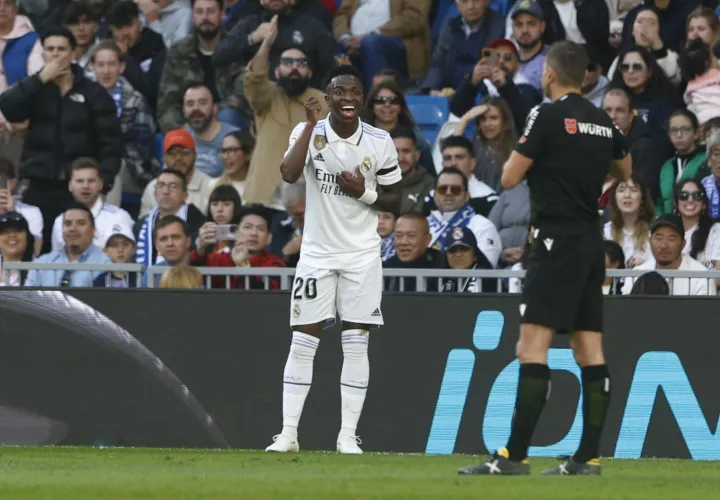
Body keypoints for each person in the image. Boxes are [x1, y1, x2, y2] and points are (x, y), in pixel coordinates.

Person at [458, 41, 631, 476]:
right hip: (592, 239)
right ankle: (586, 459)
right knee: (590, 347)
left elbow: (509, 175)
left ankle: (514, 457)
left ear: (550, 75)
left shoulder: (546, 113)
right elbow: (625, 170)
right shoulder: (600, 118)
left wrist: (550, 164)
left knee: (531, 346)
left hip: (555, 240)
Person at [266, 65, 402, 455]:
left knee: (356, 344)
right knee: (302, 342)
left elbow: (396, 199)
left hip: (361, 255)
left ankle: (347, 436)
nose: (347, 98)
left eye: (354, 92)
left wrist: (366, 192)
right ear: (328, 96)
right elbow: (289, 174)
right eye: (339, 92)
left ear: (362, 98)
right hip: (316, 255)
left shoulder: (379, 141)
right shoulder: (308, 131)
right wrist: (309, 126)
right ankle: (288, 434)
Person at [0, 26, 123, 253]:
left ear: (73, 54)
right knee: (36, 249)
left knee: (78, 249)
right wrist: (39, 79)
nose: (55, 55)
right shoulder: (35, 88)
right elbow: (7, 106)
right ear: (43, 53)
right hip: (38, 181)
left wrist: (102, 182)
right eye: (50, 49)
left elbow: (111, 143)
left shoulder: (93, 93)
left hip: (77, 187)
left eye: (61, 49)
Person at [50, 157, 134, 252]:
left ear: (100, 184)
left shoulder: (119, 217)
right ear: (70, 186)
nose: (86, 186)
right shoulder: (60, 221)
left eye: (91, 181)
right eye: (80, 181)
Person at [621, 214, 715, 296]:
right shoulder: (636, 274)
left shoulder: (702, 277)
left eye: (671, 239)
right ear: (650, 241)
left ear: (683, 244)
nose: (664, 245)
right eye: (658, 238)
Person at [26, 203, 111, 287]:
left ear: (93, 230)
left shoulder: (106, 265)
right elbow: (27, 298)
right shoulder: (42, 264)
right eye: (68, 223)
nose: (73, 228)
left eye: (81, 223)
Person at [656, 109, 708, 215]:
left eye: (685, 129)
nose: (679, 135)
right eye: (674, 130)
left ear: (696, 133)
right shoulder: (667, 166)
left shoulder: (707, 161)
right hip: (670, 227)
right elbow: (660, 203)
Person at [604, 175, 654, 268]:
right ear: (615, 197)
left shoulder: (655, 231)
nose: (627, 195)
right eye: (621, 190)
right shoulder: (605, 232)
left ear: (642, 198)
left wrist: (644, 266)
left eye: (634, 190)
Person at [0, 211, 34, 286]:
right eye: (5, 232)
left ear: (27, 237)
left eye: (18, 231)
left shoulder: (39, 270)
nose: (12, 235)